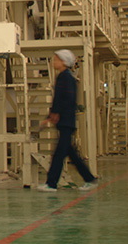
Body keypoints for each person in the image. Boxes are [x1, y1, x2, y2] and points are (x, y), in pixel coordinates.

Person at [37, 49, 97, 192]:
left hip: (66, 121)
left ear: (64, 62)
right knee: (71, 153)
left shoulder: (66, 78)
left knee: (59, 154)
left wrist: (55, 113)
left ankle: (51, 183)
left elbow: (66, 99)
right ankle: (89, 179)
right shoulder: (63, 77)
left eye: (56, 59)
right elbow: (59, 99)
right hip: (64, 121)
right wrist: (51, 115)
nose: (53, 61)